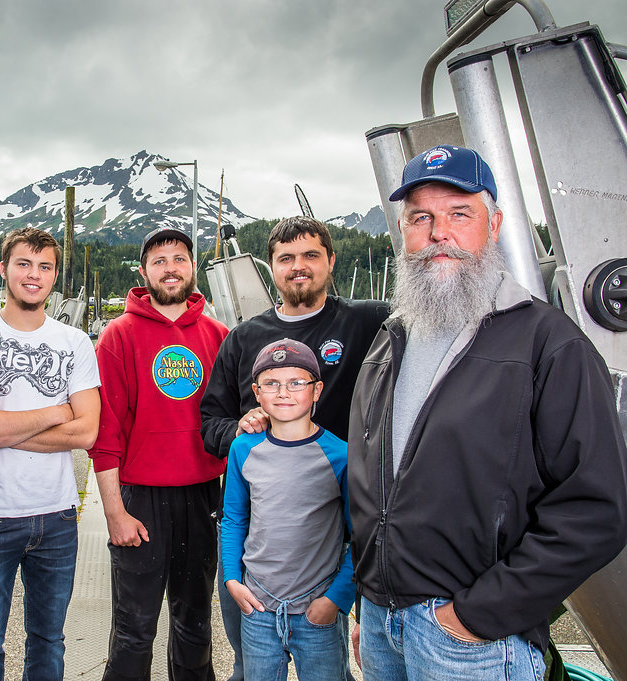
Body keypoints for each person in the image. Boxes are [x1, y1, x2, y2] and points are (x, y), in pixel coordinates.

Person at [348, 144, 627, 680]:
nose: (438, 234)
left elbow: (596, 510)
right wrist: (369, 599)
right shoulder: (390, 341)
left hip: (471, 641)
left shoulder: (548, 344)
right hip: (384, 624)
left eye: (459, 214)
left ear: (494, 224)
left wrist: (477, 615)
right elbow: (369, 481)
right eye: (421, 218)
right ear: (403, 231)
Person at [200, 215, 387, 680]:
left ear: (331, 261)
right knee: (252, 665)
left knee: (330, 661)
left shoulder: (368, 321)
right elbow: (209, 423)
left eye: (310, 256)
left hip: (334, 535)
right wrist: (240, 429)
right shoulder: (244, 339)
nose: (298, 267)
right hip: (262, 539)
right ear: (271, 267)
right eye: (286, 258)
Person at [0, 227, 100, 681]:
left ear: (55, 276)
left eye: (44, 267)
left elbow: (88, 431)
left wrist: (4, 427)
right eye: (23, 263)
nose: (33, 275)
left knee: (48, 640)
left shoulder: (74, 343)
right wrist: (58, 410)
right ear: (3, 270)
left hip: (57, 515)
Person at [90, 227, 229, 681]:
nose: (170, 268)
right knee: (134, 630)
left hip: (203, 495)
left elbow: (237, 425)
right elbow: (106, 433)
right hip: (140, 498)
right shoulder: (118, 335)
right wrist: (114, 513)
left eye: (179, 258)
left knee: (194, 626)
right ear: (144, 271)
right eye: (159, 260)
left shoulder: (219, 335)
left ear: (192, 267)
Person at [222, 338, 353, 681]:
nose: (284, 393)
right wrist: (233, 580)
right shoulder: (243, 448)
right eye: (272, 384)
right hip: (259, 609)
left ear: (317, 390)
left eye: (297, 383)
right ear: (257, 392)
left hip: (317, 611)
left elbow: (363, 536)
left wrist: (337, 599)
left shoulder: (341, 456)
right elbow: (234, 519)